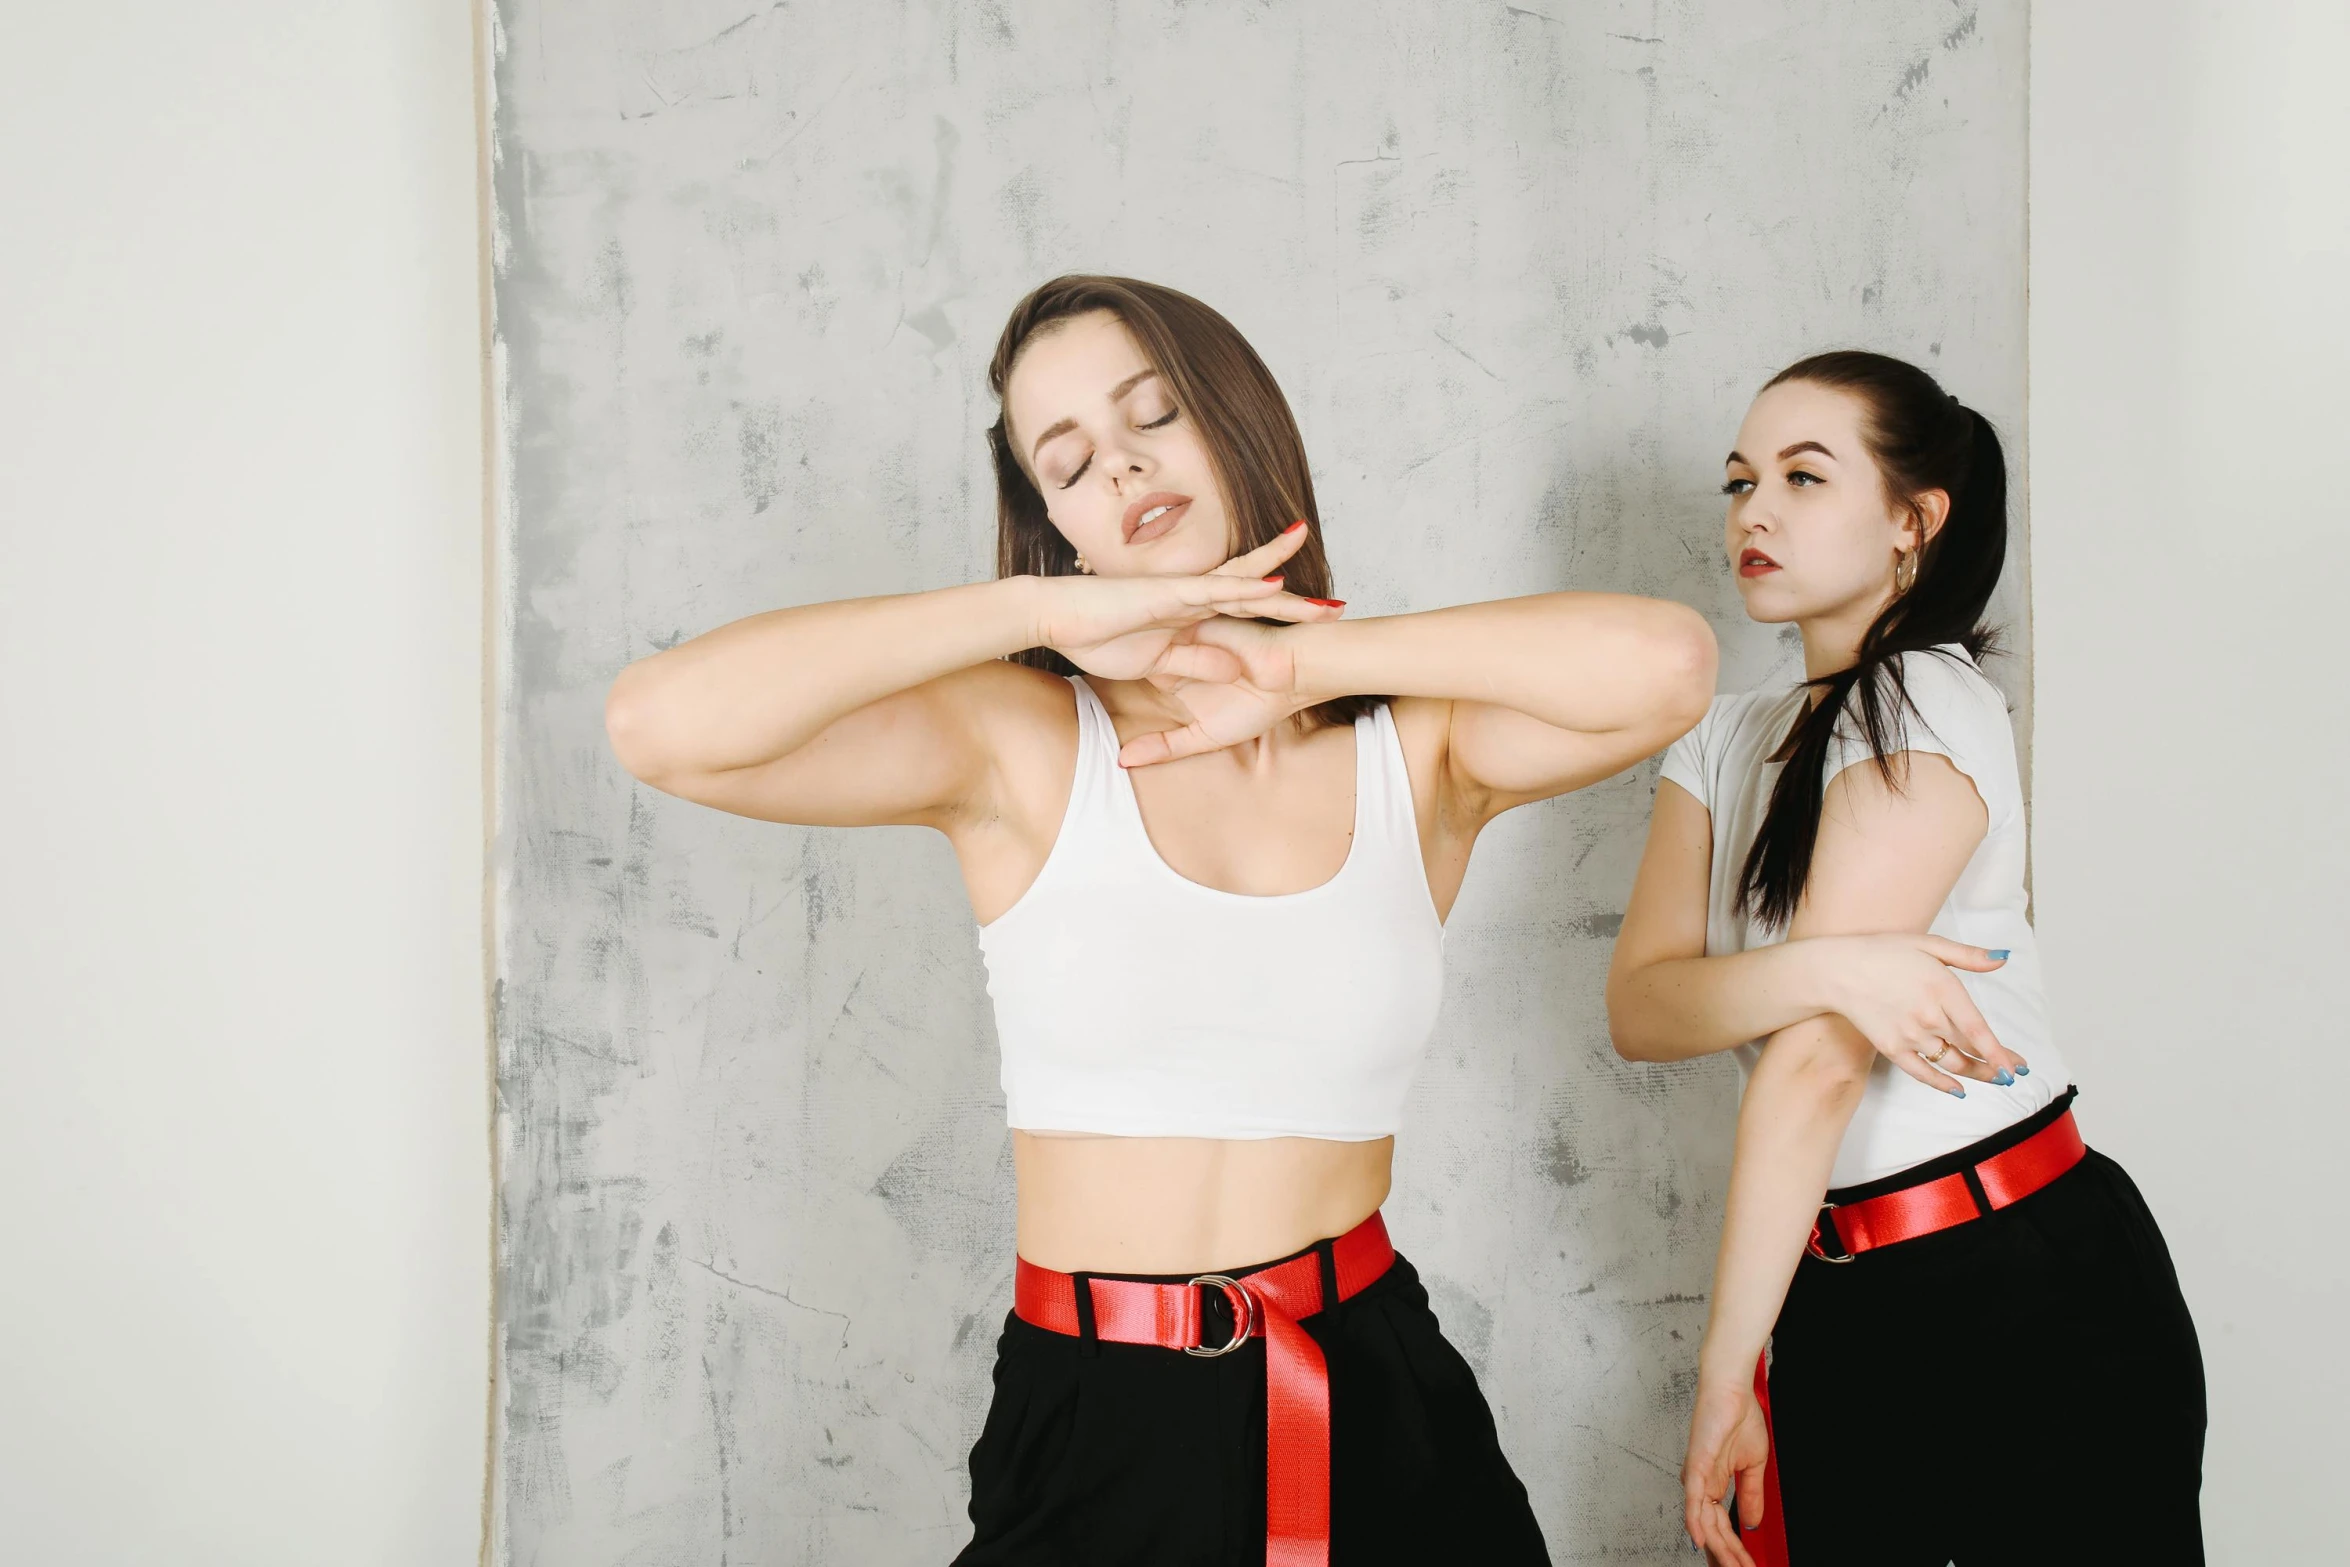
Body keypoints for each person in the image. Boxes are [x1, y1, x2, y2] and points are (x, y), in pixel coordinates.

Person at [605, 274, 1716, 1565]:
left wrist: (1303, 662)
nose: (1121, 464)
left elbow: (1668, 664)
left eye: (1154, 412)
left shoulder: (1417, 751)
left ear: (1235, 416)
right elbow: (661, 724)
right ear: (1059, 523)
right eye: (1066, 462)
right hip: (1096, 1411)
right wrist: (1034, 612)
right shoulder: (1020, 743)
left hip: (1374, 1388)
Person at [1606, 351, 2205, 1565]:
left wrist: (1726, 1374)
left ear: (1911, 522)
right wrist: (1826, 968)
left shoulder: (1926, 700)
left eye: (1804, 476)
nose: (1753, 512)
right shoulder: (1722, 737)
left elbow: (1814, 1071)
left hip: (2023, 1277)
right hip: (1838, 1288)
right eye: (1739, 482)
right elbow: (1642, 1009)